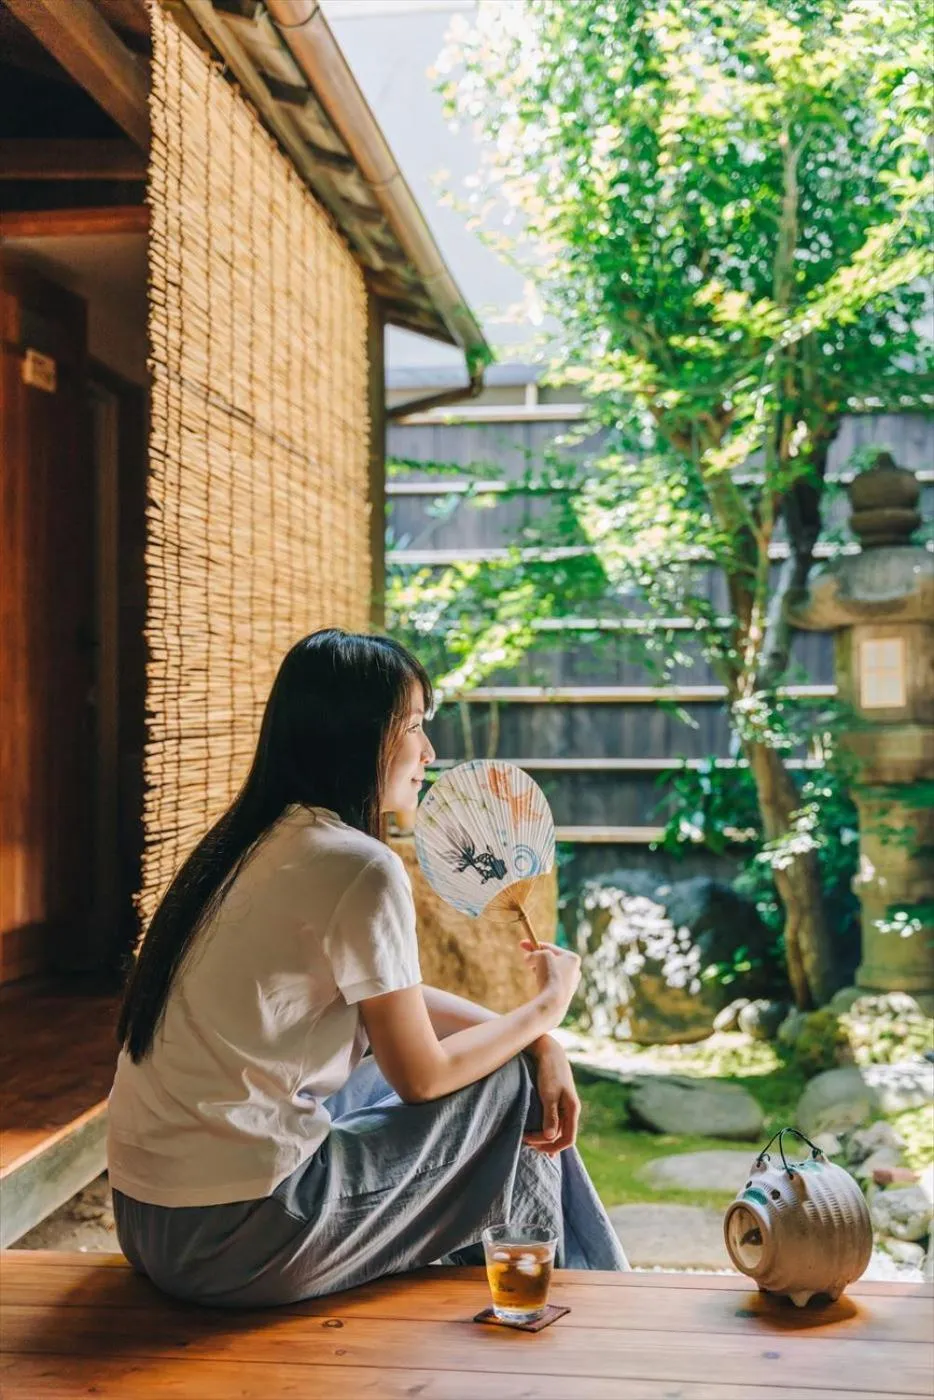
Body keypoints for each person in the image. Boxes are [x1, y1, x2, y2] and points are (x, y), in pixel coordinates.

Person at [108, 628, 628, 1306]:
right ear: (357, 736)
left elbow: (395, 1000)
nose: (428, 753)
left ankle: (569, 1280)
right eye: (413, 726)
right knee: (507, 1086)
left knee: (496, 1060)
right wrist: (544, 1011)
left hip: (148, 1222)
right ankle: (555, 1298)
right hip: (242, 1236)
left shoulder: (245, 847)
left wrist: (540, 1039)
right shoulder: (358, 866)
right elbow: (422, 1077)